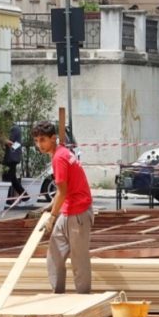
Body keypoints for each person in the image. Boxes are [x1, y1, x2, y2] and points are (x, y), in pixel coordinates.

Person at [31, 120, 93, 294]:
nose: (39, 145)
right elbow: (64, 191)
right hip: (68, 210)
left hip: (78, 213)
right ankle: (57, 296)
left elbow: (62, 191)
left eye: (42, 140)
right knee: (55, 256)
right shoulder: (62, 152)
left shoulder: (59, 157)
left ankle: (83, 300)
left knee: (79, 261)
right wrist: (50, 208)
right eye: (36, 141)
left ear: (53, 138)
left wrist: (52, 217)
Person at [3, 124, 27, 207]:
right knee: (12, 178)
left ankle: (24, 197)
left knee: (8, 178)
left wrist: (2, 138)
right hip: (13, 157)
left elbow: (9, 141)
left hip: (11, 157)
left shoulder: (14, 129)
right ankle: (24, 197)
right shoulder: (16, 128)